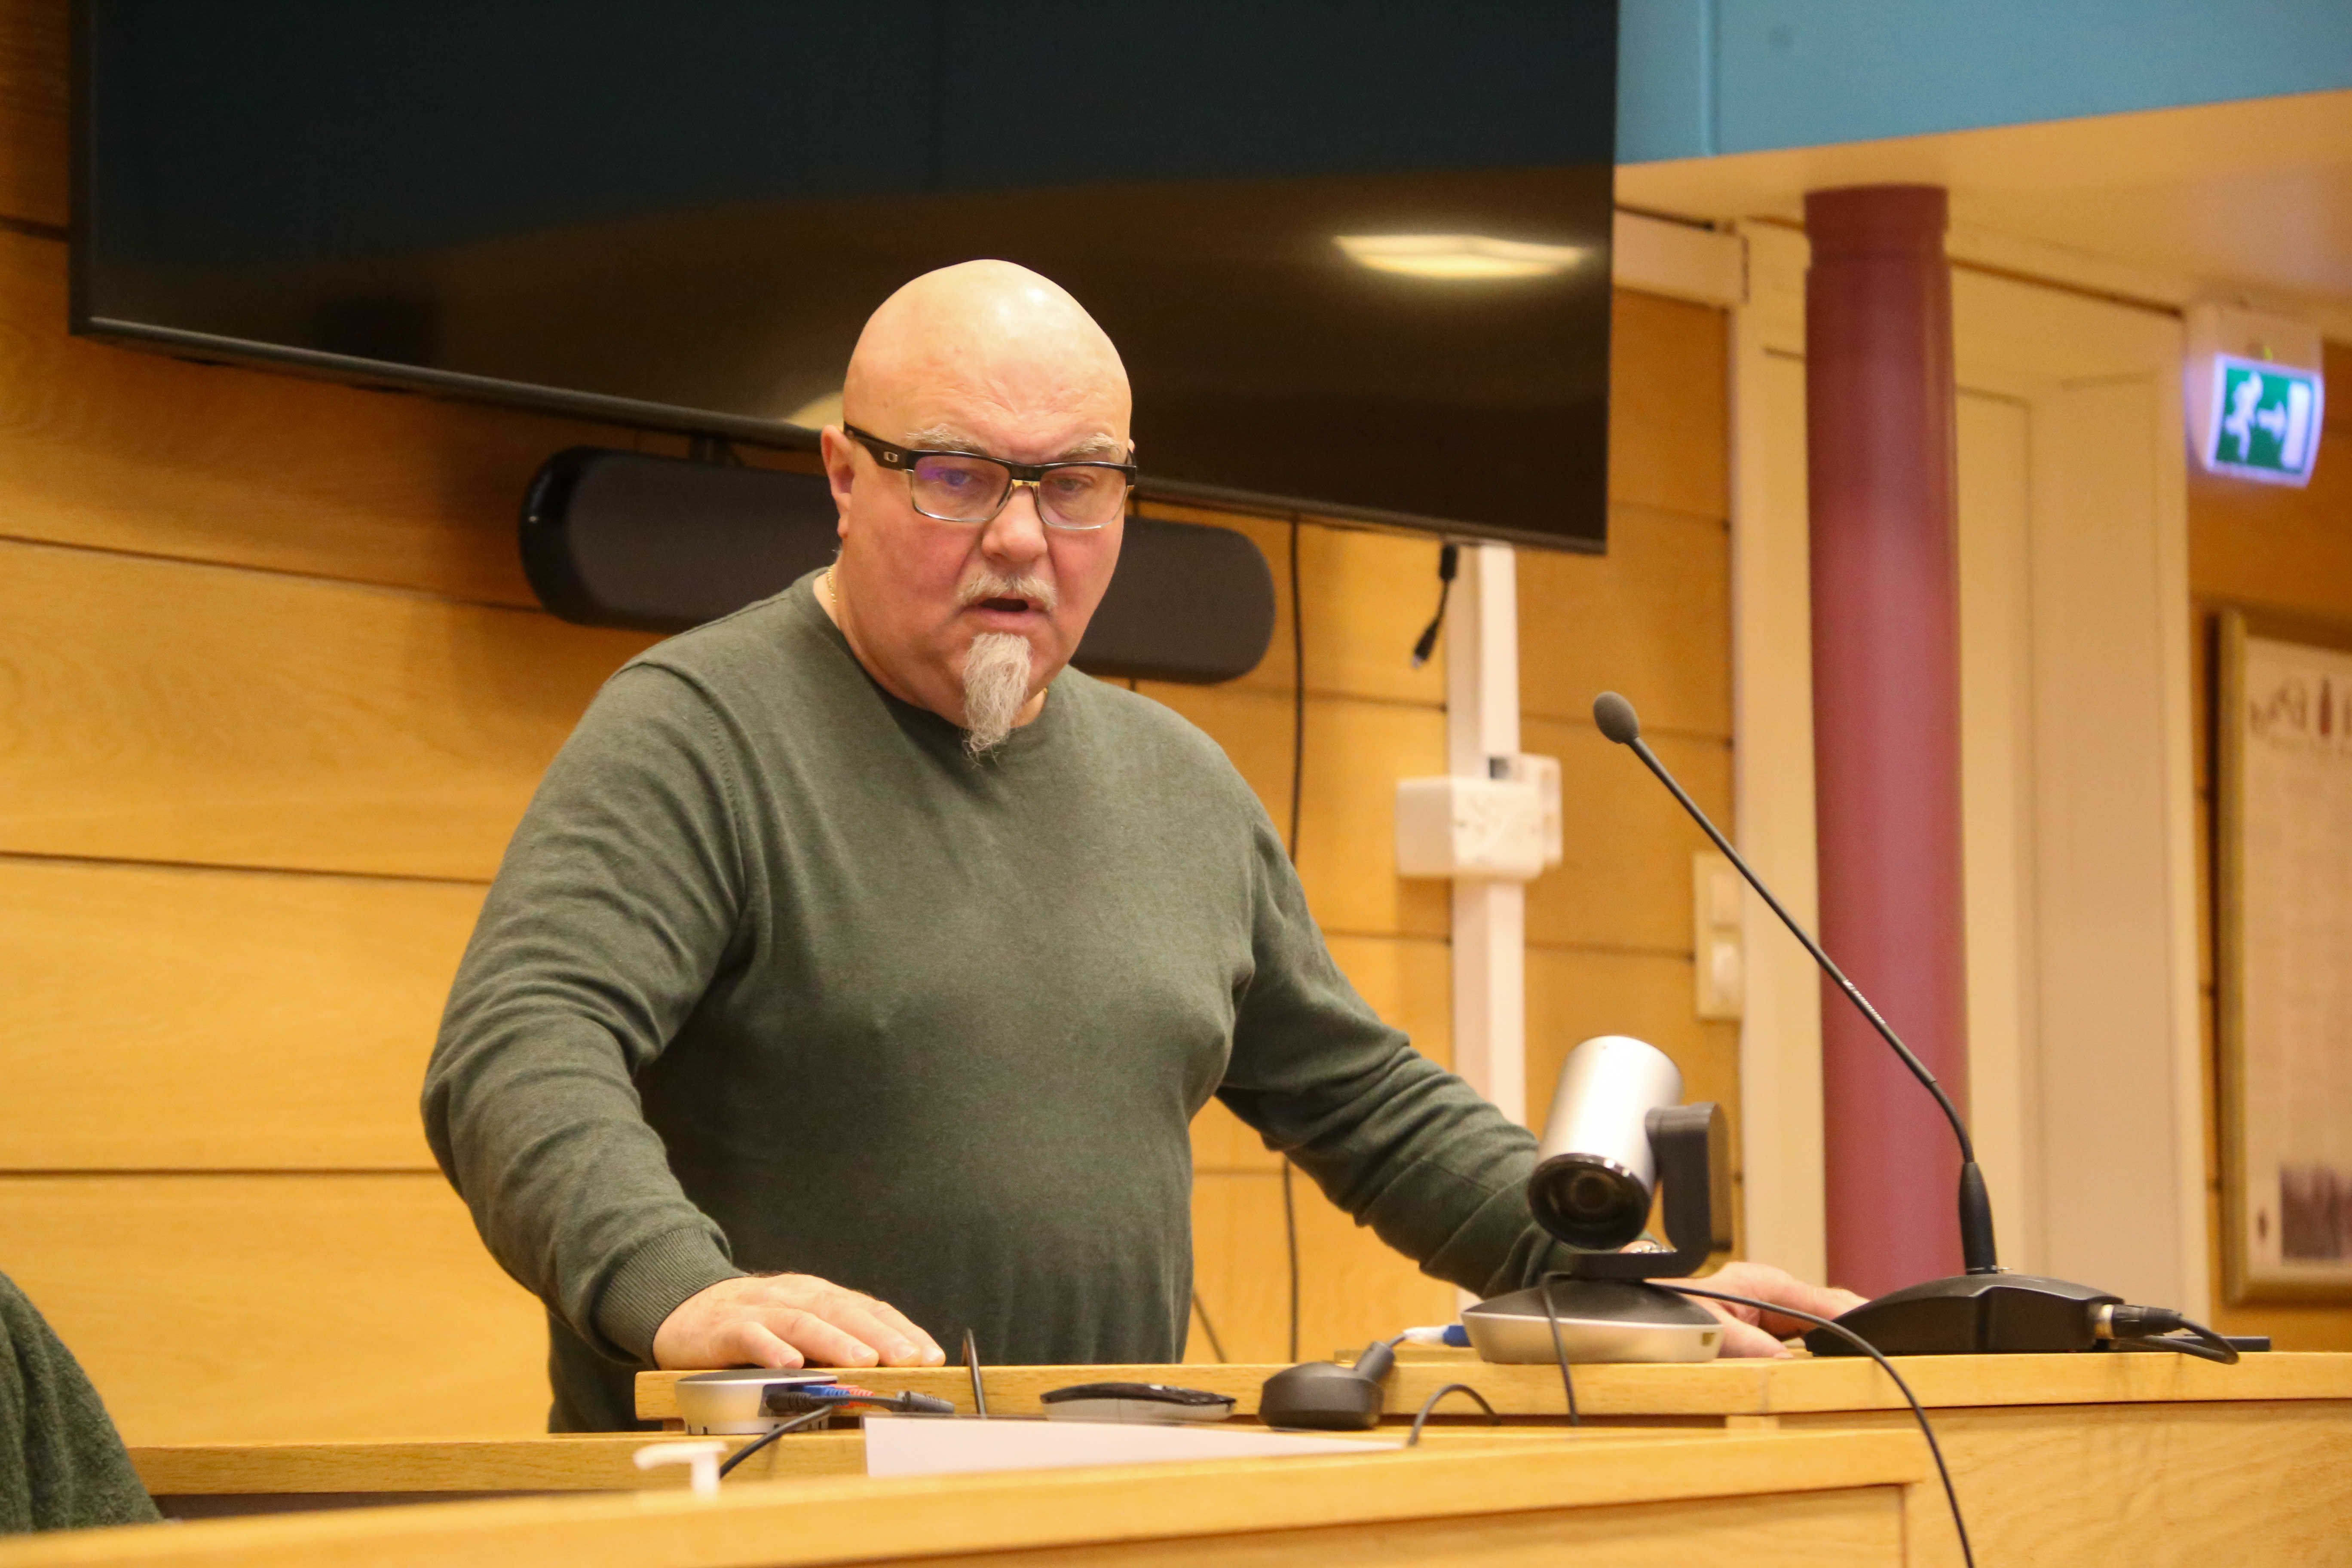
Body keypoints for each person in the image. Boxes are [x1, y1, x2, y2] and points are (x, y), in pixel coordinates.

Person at [424, 260, 1859, 1432]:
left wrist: (1633, 1289)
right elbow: (519, 1052)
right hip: (766, 1496)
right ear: (844, 477)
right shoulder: (697, 733)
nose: (1021, 538)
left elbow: (1372, 1107)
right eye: (956, 477)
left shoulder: (1179, 782)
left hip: (1105, 1491)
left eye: (1076, 485)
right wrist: (678, 1292)